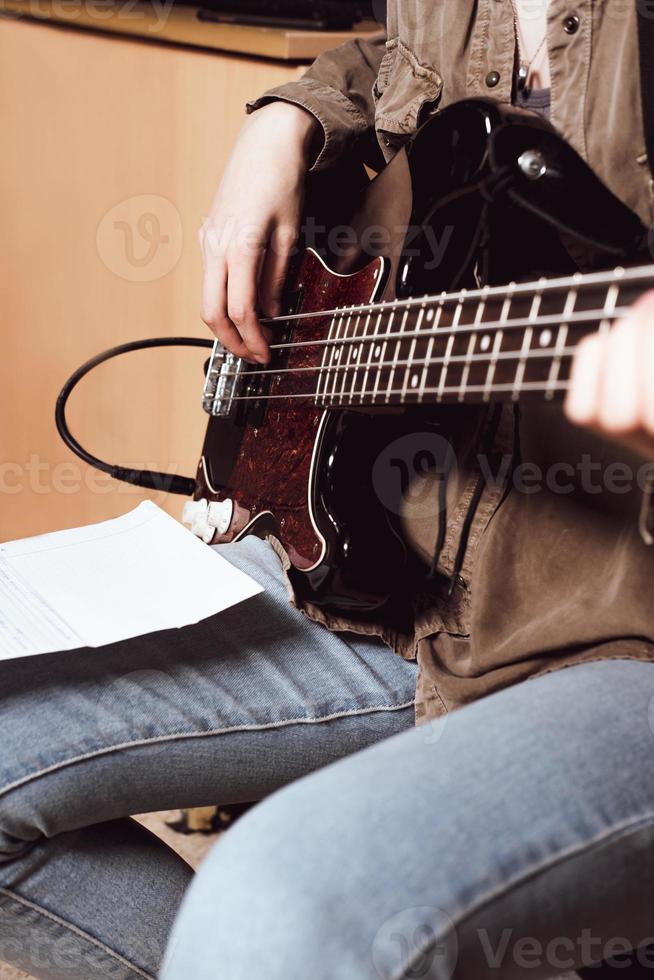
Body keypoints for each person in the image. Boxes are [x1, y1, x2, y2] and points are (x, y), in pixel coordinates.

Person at [2, 2, 654, 979]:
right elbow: (400, 55)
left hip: (615, 629)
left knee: (274, 909)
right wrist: (287, 118)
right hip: (400, 576)